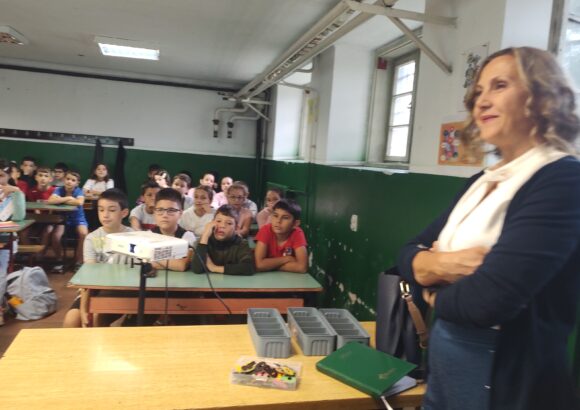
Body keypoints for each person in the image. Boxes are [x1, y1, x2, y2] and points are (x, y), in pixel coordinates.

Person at [397, 47, 580, 410]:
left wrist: (433, 293)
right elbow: (406, 253)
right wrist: (442, 265)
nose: (481, 101)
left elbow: (488, 301)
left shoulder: (563, 180)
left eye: (500, 85)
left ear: (543, 96)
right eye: (479, 90)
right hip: (447, 359)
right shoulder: (483, 180)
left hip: (505, 375)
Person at [62, 188, 134, 328]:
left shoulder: (134, 237)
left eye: (111, 210)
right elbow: (89, 276)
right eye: (101, 210)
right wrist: (83, 308)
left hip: (124, 290)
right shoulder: (92, 238)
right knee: (71, 321)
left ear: (124, 213)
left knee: (98, 317)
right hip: (94, 289)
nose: (105, 215)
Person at [192, 205, 254, 275]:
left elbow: (248, 268)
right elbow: (197, 269)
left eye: (229, 223)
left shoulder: (241, 243)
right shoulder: (204, 241)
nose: (222, 226)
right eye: (218, 221)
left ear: (236, 228)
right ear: (212, 223)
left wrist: (214, 268)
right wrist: (205, 236)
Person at [0, 159, 25, 326]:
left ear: (9, 176)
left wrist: (16, 192)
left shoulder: (16, 194)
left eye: (1, 175)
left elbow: (19, 217)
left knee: (0, 275)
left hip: (5, 242)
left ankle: (1, 308)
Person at [47, 171, 88, 271]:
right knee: (56, 236)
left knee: (84, 234)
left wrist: (60, 200)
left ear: (77, 183)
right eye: (68, 179)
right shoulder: (59, 189)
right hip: (62, 218)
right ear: (64, 180)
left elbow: (79, 202)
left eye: (73, 180)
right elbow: (50, 201)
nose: (69, 181)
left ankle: (79, 261)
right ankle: (59, 260)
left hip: (78, 218)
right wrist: (68, 198)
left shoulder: (79, 191)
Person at [255, 199, 307, 273]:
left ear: (295, 224)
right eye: (275, 216)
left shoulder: (297, 233)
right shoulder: (265, 230)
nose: (278, 221)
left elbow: (302, 267)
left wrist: (270, 266)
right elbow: (259, 265)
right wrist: (287, 258)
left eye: (285, 217)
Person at [150, 188, 195, 271]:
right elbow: (140, 261)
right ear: (154, 212)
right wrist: (172, 264)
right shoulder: (149, 235)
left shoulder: (187, 237)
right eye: (160, 210)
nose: (165, 215)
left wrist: (151, 255)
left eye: (171, 210)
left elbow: (181, 265)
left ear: (180, 213)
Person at [24, 167, 56, 257]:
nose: (43, 178)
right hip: (35, 220)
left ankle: (40, 256)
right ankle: (30, 255)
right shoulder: (31, 191)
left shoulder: (55, 191)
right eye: (40, 175)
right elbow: (33, 208)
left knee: (47, 231)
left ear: (51, 179)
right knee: (23, 232)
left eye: (46, 176)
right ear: (36, 177)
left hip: (50, 220)